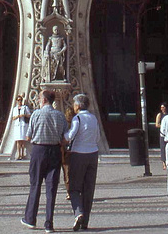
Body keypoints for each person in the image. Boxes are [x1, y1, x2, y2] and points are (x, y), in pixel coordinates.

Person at [21, 90, 68, 233]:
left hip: (39, 151)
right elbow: (64, 137)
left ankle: (30, 219)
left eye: (39, 98)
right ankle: (49, 223)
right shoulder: (60, 116)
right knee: (51, 188)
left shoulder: (36, 114)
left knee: (35, 184)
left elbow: (28, 137)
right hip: (54, 151)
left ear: (43, 100)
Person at [65, 94, 99, 232]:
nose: (73, 106)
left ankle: (78, 213)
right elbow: (97, 137)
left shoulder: (77, 118)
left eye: (74, 104)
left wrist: (63, 135)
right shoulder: (94, 118)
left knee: (74, 188)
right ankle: (85, 222)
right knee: (88, 189)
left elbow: (70, 136)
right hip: (93, 154)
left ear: (78, 106)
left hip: (79, 154)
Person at [12, 95, 31, 160]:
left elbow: (29, 115)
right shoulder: (15, 108)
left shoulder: (25, 107)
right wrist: (19, 116)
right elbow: (13, 118)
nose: (19, 101)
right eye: (18, 100)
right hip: (17, 125)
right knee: (18, 140)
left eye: (20, 100)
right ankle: (19, 154)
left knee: (23, 140)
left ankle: (23, 154)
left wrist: (24, 115)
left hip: (23, 125)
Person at [155, 102, 168, 170]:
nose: (162, 109)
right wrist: (163, 126)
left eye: (163, 107)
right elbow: (157, 124)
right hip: (162, 133)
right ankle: (164, 163)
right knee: (163, 148)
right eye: (161, 107)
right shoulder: (159, 115)